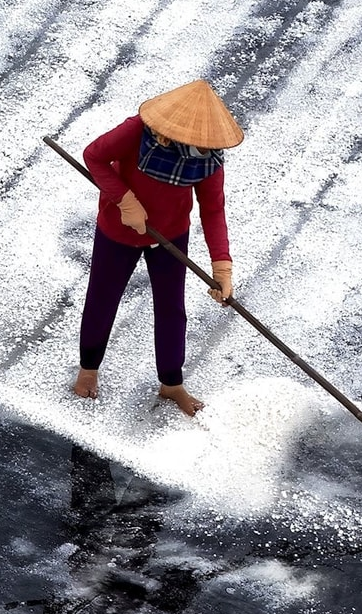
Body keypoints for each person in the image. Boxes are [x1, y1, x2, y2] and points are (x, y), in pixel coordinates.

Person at [75, 80, 242, 416]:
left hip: (170, 235)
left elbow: (213, 209)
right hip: (118, 231)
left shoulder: (207, 160)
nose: (200, 145)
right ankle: (88, 368)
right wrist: (124, 199)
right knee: (103, 299)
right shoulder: (137, 131)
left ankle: (171, 383)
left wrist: (221, 265)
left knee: (171, 309)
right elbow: (94, 156)